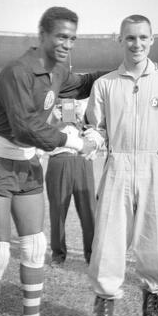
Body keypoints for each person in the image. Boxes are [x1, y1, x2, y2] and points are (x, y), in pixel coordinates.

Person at [0, 6, 106, 316]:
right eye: (61, 36)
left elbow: (84, 83)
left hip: (28, 165)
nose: (67, 44)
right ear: (42, 35)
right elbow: (24, 128)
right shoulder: (16, 72)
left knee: (34, 248)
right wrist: (75, 142)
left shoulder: (58, 72)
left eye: (72, 39)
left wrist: (125, 66)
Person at [84, 14, 158, 316]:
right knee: (107, 245)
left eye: (143, 38)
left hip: (154, 169)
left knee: (155, 247)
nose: (137, 43)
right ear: (119, 40)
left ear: (152, 40)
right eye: (130, 37)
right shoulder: (104, 84)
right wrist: (89, 140)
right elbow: (96, 129)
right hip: (117, 169)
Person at [45, 99, 96, 267]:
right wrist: (54, 120)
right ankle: (58, 254)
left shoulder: (86, 100)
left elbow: (95, 132)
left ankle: (92, 254)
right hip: (59, 159)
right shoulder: (48, 98)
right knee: (57, 210)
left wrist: (81, 118)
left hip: (83, 160)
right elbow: (41, 135)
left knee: (89, 211)